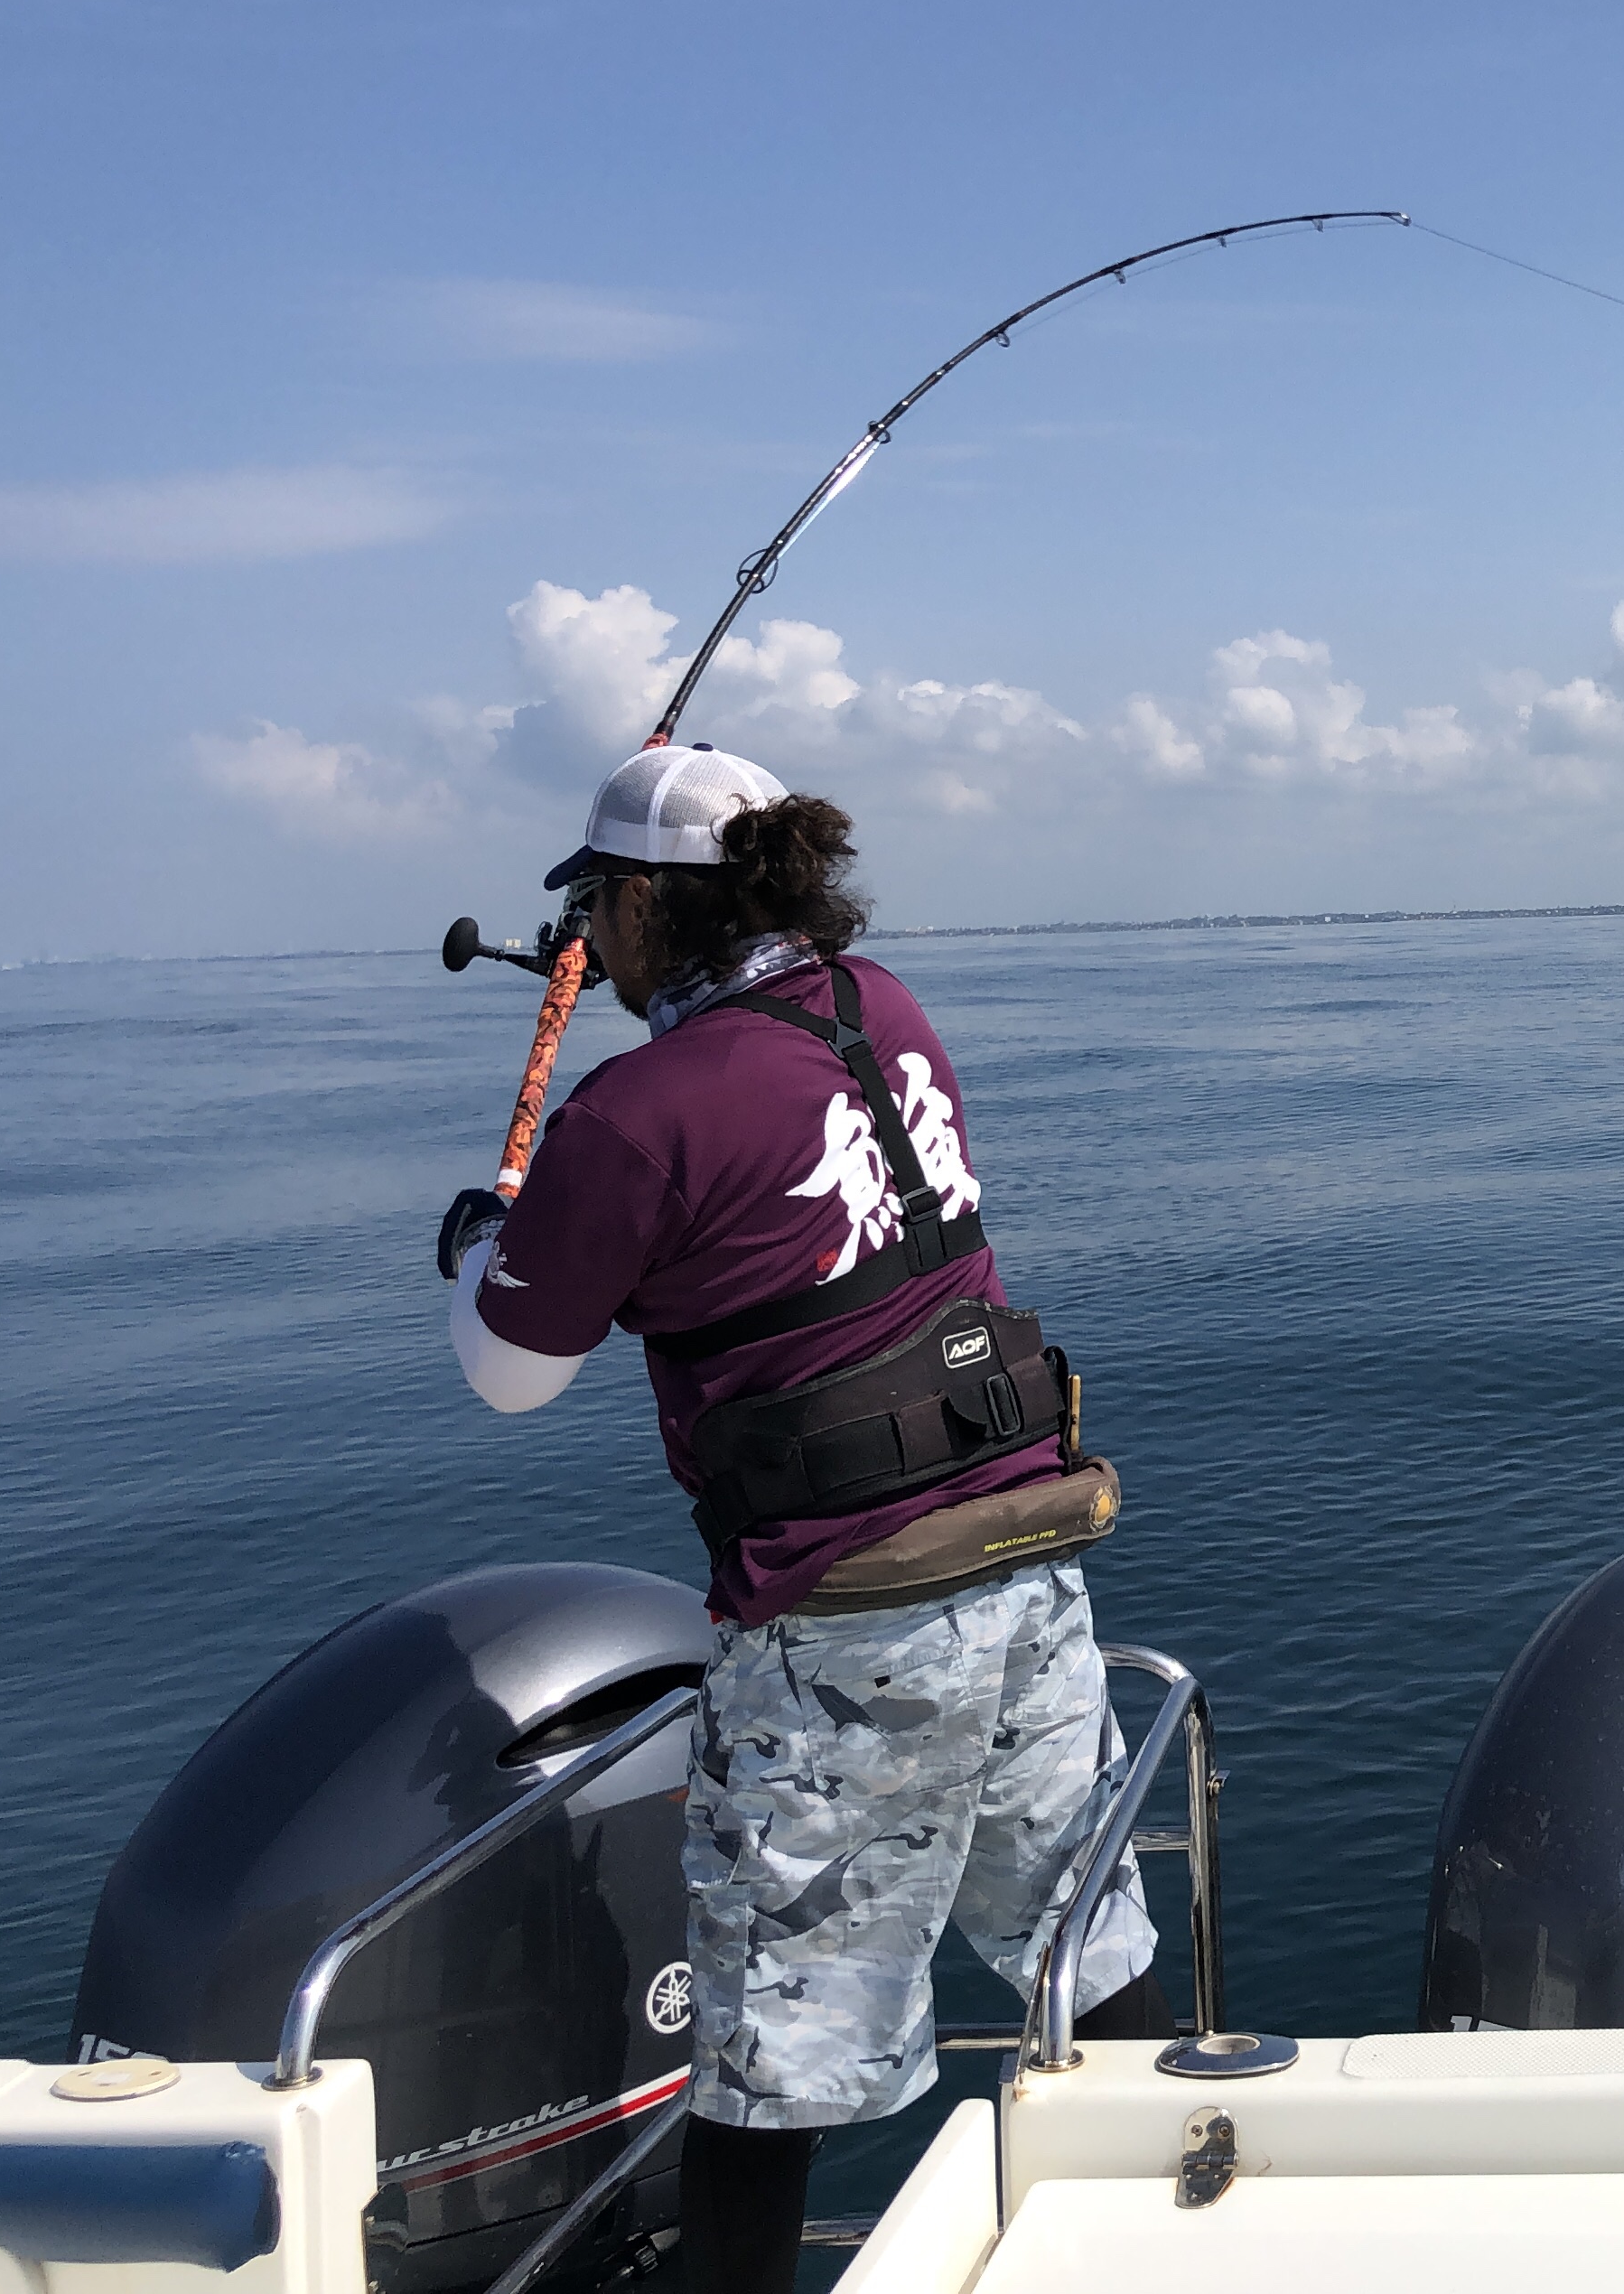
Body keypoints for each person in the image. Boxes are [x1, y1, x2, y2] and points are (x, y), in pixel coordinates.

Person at [437, 742, 1163, 2294]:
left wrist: (493, 1238)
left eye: (597, 909)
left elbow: (506, 1372)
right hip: (1020, 1556)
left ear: (643, 905)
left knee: (770, 2050)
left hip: (846, 1615)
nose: (588, 942)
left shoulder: (635, 1114)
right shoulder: (879, 1006)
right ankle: (1192, 2230)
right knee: (1083, 1941)